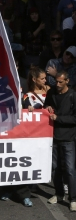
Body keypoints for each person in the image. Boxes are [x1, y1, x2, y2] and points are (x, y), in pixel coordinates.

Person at [44, 71, 76, 212]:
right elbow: (46, 107)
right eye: (56, 81)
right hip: (53, 136)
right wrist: (47, 108)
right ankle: (58, 194)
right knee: (55, 168)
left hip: (68, 138)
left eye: (60, 82)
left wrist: (59, 118)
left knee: (69, 170)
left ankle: (73, 199)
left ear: (67, 81)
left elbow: (74, 119)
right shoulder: (51, 93)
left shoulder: (73, 95)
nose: (57, 84)